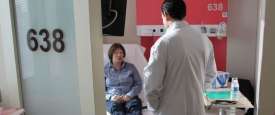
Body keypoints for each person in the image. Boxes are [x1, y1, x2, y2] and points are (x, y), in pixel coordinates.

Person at [143, 0, 217, 115]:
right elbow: (211, 74)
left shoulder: (163, 44)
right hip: (196, 108)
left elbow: (152, 84)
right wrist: (197, 90)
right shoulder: (205, 40)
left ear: (165, 14)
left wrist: (154, 108)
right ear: (184, 14)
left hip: (169, 109)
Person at [104, 43, 143, 115]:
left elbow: (139, 84)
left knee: (135, 108)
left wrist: (129, 95)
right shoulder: (105, 70)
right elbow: (100, 90)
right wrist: (111, 97)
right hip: (113, 99)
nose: (119, 55)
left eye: (121, 52)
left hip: (129, 97)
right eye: (116, 53)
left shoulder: (131, 67)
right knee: (116, 110)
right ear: (111, 55)